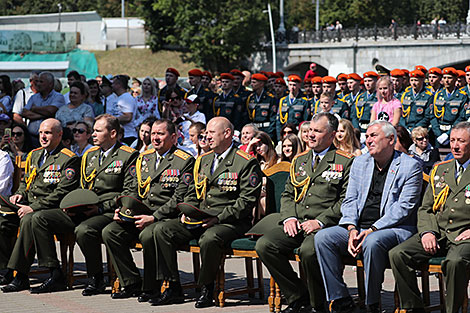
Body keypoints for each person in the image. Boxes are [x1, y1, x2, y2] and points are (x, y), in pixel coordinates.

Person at [153, 117, 262, 308]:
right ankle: (173, 286)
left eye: (211, 132)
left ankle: (207, 287)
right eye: (206, 133)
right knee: (162, 230)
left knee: (209, 239)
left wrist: (218, 218)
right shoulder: (203, 160)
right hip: (200, 218)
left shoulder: (245, 162)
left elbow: (246, 202)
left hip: (230, 221)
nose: (206, 137)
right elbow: (193, 192)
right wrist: (187, 210)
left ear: (227, 134)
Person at [315, 120, 422, 313]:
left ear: (391, 139)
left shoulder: (410, 166)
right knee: (324, 237)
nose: (367, 140)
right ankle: (340, 299)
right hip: (359, 227)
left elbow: (403, 208)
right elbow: (350, 200)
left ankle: (372, 303)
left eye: (373, 136)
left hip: (393, 229)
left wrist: (372, 229)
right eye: (366, 136)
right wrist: (351, 229)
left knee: (372, 242)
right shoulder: (360, 162)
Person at [28, 114, 139, 296]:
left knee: (84, 230)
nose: (93, 134)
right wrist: (72, 204)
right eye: (93, 130)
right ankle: (54, 273)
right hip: (84, 208)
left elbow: (129, 192)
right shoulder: (90, 155)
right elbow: (81, 186)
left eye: (97, 131)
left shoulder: (128, 156)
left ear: (112, 133)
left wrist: (101, 207)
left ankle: (95, 278)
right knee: (40, 218)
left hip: (107, 210)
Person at [256, 113, 354, 313]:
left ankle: (318, 304)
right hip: (297, 222)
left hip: (324, 227)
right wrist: (289, 218)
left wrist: (321, 222)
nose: (310, 135)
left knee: (309, 251)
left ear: (332, 135)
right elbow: (288, 194)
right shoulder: (300, 160)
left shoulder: (345, 161)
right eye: (309, 130)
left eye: (317, 131)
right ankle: (299, 296)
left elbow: (346, 201)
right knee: (265, 245)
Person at [102, 119, 195, 303]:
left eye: (160, 134)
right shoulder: (144, 158)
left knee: (148, 234)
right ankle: (131, 281)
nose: (155, 138)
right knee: (110, 232)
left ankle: (155, 287)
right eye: (153, 134)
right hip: (141, 213)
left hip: (164, 217)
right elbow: (133, 189)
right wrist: (123, 210)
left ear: (173, 137)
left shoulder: (184, 161)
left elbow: (179, 198)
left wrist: (154, 217)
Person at [389, 121, 470, 313]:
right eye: (452, 140)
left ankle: (451, 310)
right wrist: (427, 232)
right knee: (398, 254)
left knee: (454, 263)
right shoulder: (440, 169)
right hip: (439, 232)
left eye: (461, 141)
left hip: (464, 235)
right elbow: (425, 208)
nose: (455, 145)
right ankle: (413, 307)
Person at [1, 119, 80, 293]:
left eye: (48, 133)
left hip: (58, 210)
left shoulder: (69, 159)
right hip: (32, 207)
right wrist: (20, 193)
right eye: (41, 133)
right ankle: (15, 272)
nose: (43, 136)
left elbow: (61, 194)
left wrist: (33, 207)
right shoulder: (35, 155)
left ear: (59, 135)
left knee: (33, 218)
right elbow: (26, 181)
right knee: (6, 214)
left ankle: (23, 275)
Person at [431, 67, 467, 147]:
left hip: (454, 132)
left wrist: (448, 134)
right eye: (444, 78)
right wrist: (438, 133)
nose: (446, 80)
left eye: (449, 78)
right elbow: (432, 115)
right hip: (438, 133)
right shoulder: (438, 94)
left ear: (455, 79)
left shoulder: (462, 96)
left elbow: (461, 117)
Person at [21, 72, 66, 137]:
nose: (38, 84)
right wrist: (46, 115)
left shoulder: (58, 96)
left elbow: (51, 110)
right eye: (38, 81)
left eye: (41, 82)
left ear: (50, 84)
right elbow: (25, 113)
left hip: (50, 137)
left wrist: (34, 108)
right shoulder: (34, 97)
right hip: (32, 137)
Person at [276, 75, 310, 140]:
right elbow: (278, 122)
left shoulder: (303, 101)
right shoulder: (283, 101)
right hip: (285, 132)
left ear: (299, 86)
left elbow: (305, 120)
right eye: (290, 85)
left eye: (294, 85)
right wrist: (279, 138)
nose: (292, 87)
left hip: (297, 132)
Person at [246, 73, 277, 140]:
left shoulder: (270, 98)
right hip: (254, 129)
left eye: (254, 82)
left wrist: (270, 133)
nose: (252, 84)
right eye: (251, 82)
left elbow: (273, 118)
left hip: (266, 129)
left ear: (261, 84)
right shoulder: (251, 98)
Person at [351, 71, 379, 137]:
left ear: (376, 82)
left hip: (373, 128)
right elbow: (354, 116)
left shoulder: (379, 97)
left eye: (370, 81)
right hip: (360, 129)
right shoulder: (360, 97)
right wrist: (356, 129)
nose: (367, 83)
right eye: (365, 81)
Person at [112, 75, 138, 145]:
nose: (111, 86)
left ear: (119, 85)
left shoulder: (126, 98)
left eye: (113, 83)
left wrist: (111, 120)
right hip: (121, 135)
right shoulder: (119, 97)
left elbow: (128, 117)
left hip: (127, 136)